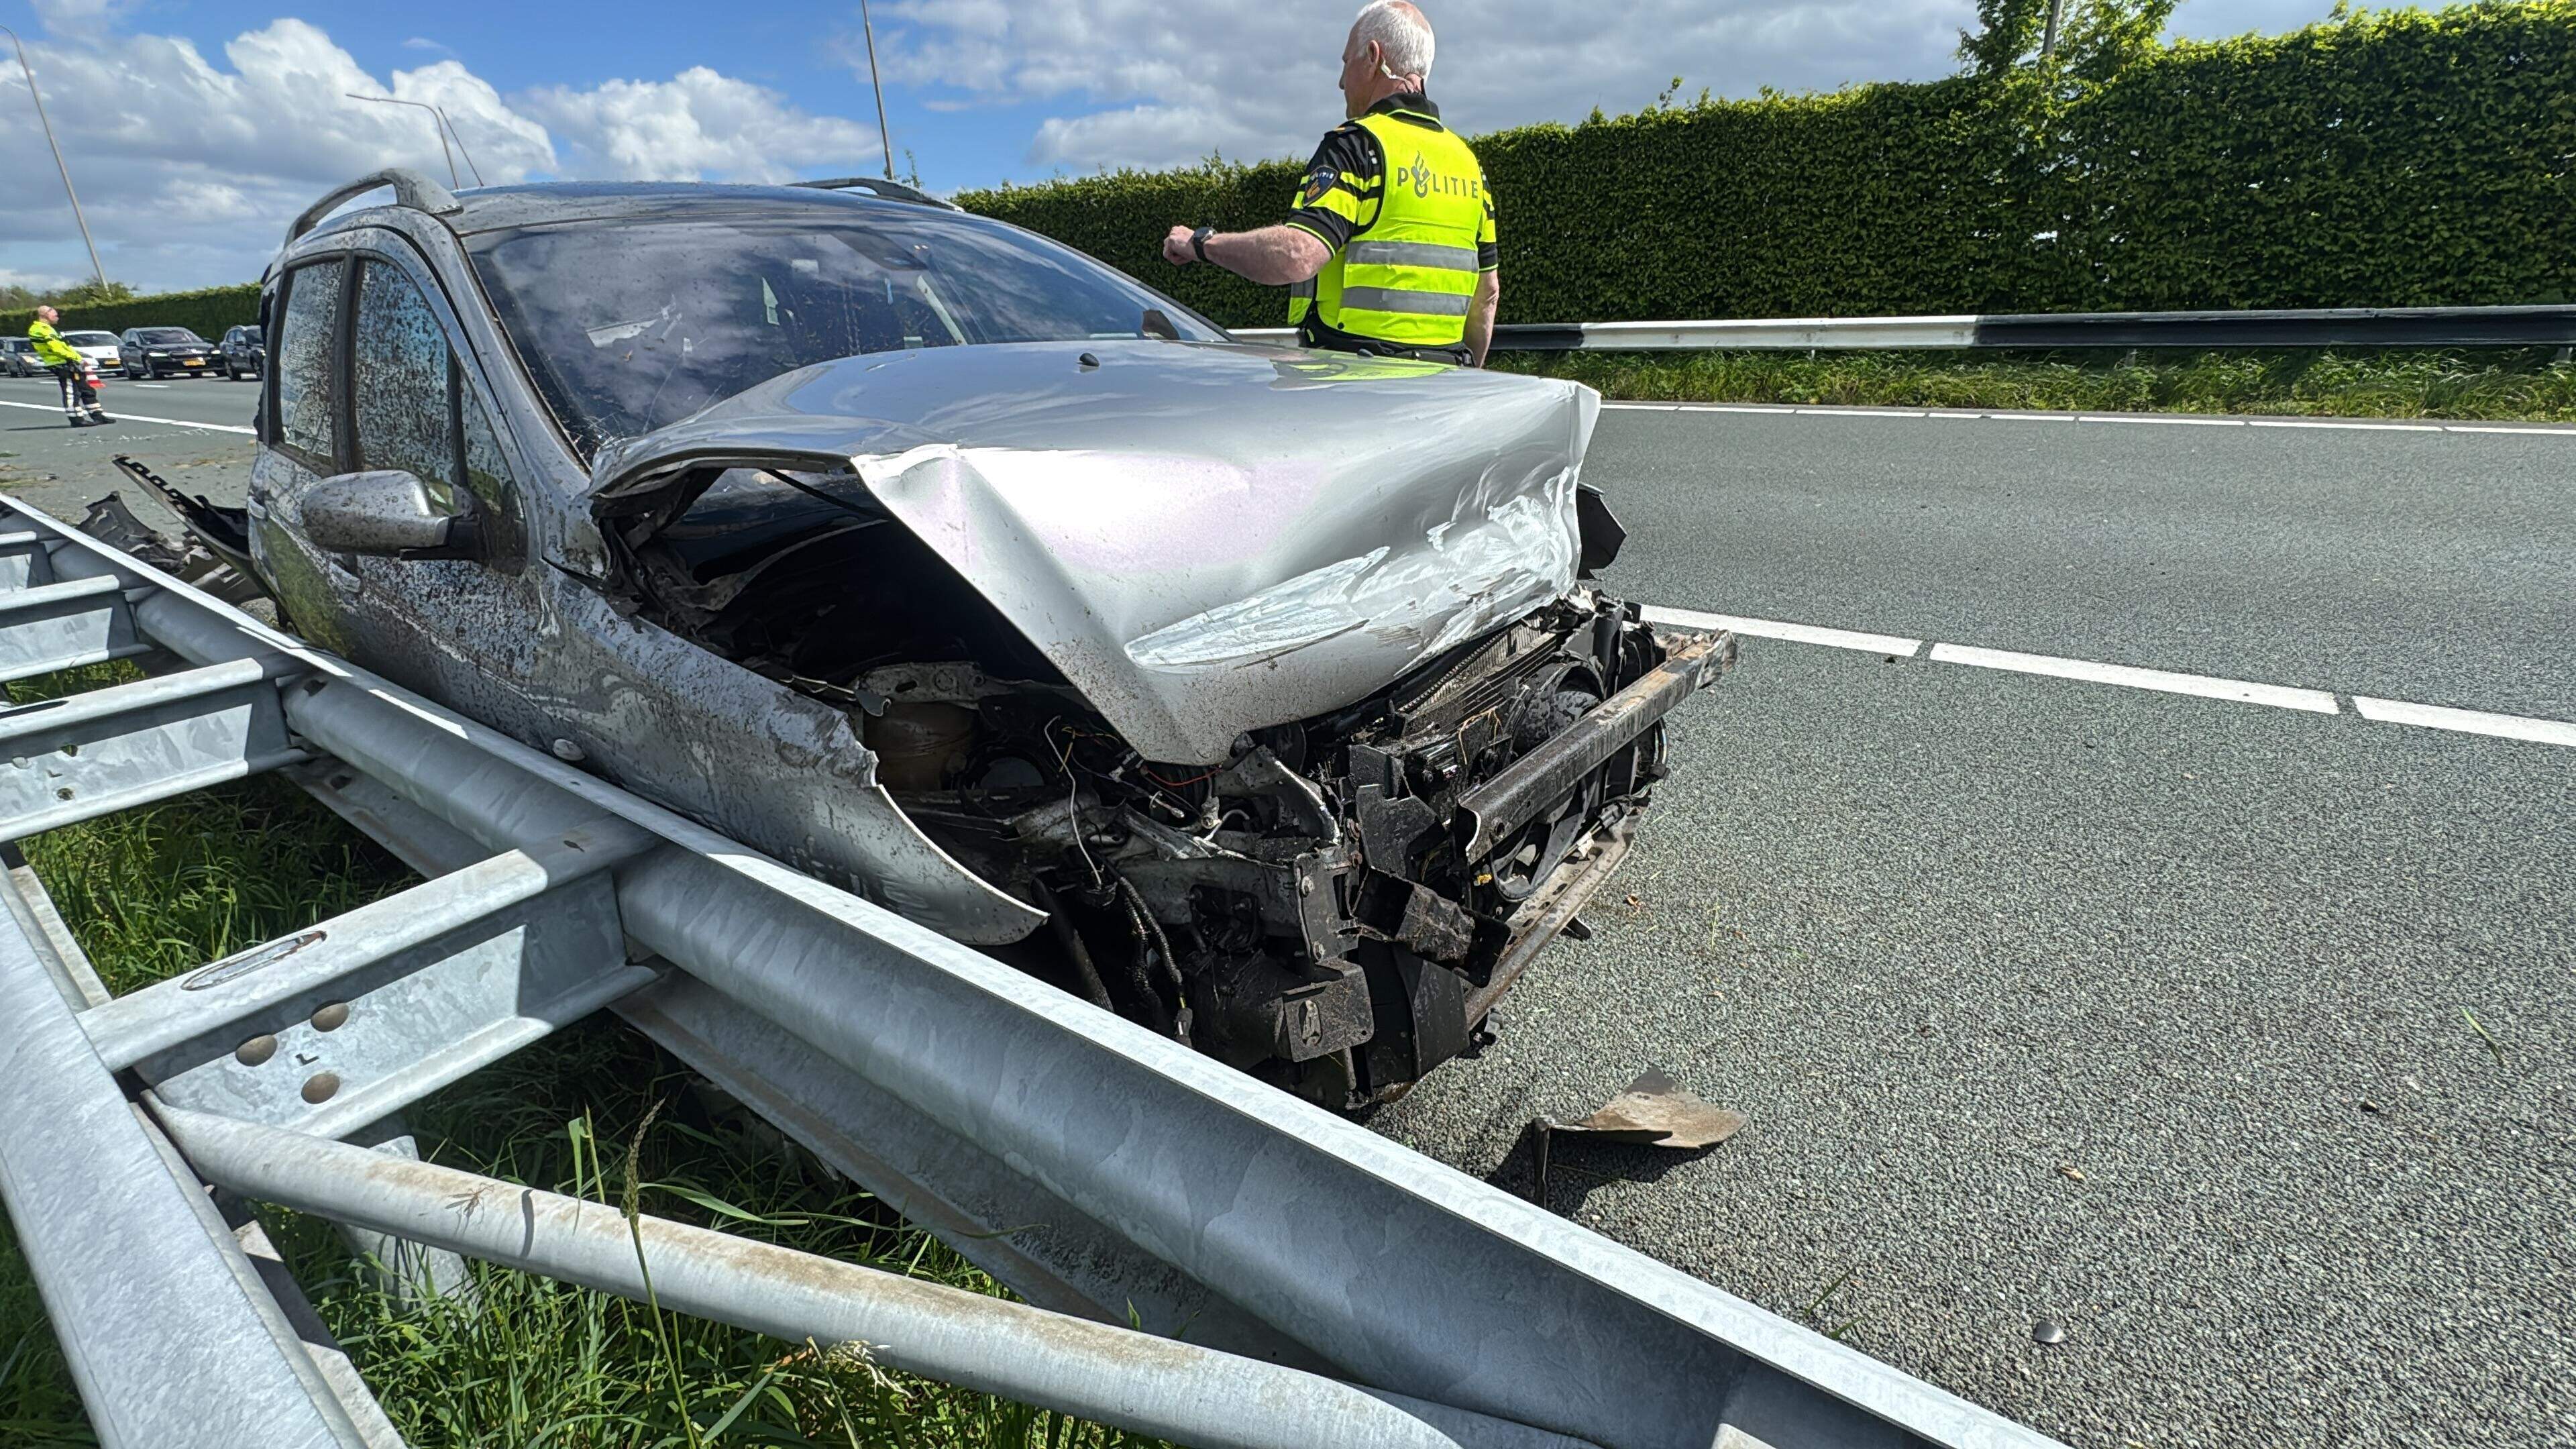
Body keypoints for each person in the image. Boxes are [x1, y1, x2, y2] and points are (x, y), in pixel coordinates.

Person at [1161, 1, 1498, 366]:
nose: (1341, 81)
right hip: (1444, 390)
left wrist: (1203, 243)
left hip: (1355, 385)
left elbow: (1298, 255)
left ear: (1373, 56)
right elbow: (1488, 295)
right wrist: (1467, 379)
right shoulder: (1469, 165)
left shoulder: (1357, 146)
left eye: (1345, 63)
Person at [27, 306, 108, 427]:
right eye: (54, 314)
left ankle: (97, 416)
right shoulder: (40, 329)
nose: (57, 316)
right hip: (61, 364)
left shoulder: (48, 329)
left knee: (87, 390)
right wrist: (74, 359)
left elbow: (65, 347)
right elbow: (56, 348)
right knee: (71, 392)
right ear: (45, 314)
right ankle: (76, 419)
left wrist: (79, 359)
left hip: (68, 362)